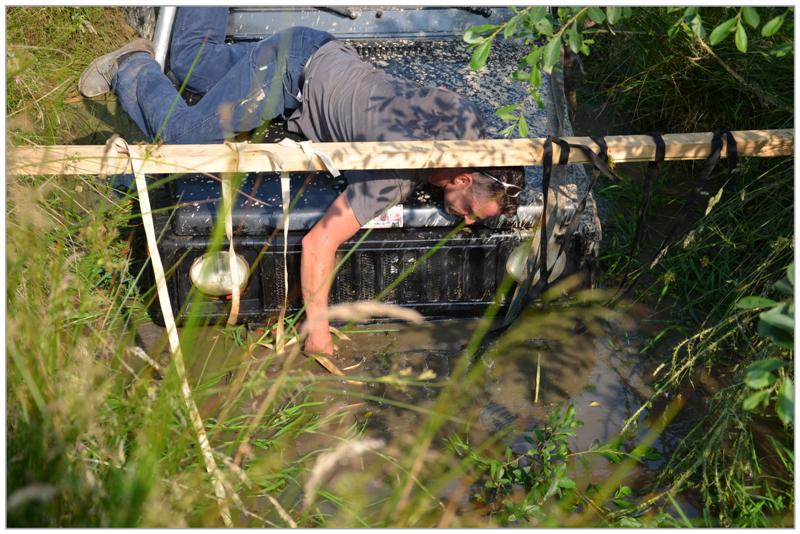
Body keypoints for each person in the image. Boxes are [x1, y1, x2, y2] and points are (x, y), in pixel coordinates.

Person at [79, 7, 525, 357]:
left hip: (322, 54)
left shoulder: (468, 120)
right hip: (292, 75)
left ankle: (185, 41)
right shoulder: (391, 174)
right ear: (465, 176)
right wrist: (317, 328)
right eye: (468, 210)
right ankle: (130, 65)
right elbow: (319, 244)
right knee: (184, 138)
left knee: (194, 65)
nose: (464, 221)